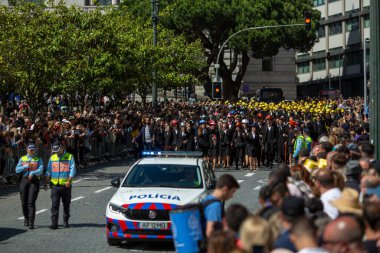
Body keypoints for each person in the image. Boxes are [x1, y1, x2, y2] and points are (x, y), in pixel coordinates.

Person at [45, 144, 76, 229]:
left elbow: (73, 170)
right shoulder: (52, 157)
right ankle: (54, 223)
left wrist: (69, 181)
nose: (56, 152)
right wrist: (46, 182)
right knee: (54, 205)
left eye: (57, 150)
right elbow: (48, 170)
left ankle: (66, 220)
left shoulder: (69, 156)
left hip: (65, 185)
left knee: (66, 204)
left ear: (62, 147)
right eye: (54, 150)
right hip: (55, 185)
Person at [15, 144, 44, 229]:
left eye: (33, 150)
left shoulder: (38, 159)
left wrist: (33, 173)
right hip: (24, 181)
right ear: (27, 150)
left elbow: (41, 169)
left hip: (34, 181)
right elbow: (17, 170)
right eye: (30, 150)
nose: (32, 151)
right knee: (24, 202)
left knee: (31, 202)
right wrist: (25, 166)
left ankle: (32, 222)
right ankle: (26, 218)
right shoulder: (22, 158)